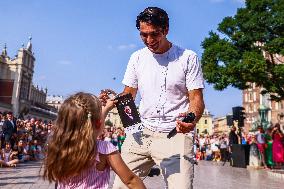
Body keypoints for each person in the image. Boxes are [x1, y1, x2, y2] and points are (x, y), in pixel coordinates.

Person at [113, 7, 205, 189]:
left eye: (154, 34)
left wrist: (192, 118)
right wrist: (112, 100)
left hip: (175, 133)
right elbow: (128, 95)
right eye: (143, 35)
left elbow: (196, 99)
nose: (149, 40)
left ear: (166, 30)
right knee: (120, 187)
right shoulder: (137, 58)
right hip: (141, 132)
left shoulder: (188, 58)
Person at [43, 92, 146, 189]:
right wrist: (104, 108)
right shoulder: (105, 149)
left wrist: (99, 108)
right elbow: (130, 180)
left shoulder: (57, 145)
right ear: (98, 123)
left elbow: (87, 136)